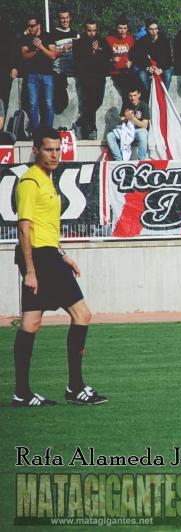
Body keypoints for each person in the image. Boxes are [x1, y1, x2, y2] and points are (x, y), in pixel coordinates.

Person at [12, 127, 107, 407]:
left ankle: (21, 393)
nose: (55, 154)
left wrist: (62, 252)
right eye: (49, 149)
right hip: (40, 258)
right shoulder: (30, 182)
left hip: (48, 255)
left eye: (58, 149)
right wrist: (31, 269)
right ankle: (75, 388)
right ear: (36, 151)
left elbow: (45, 227)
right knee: (82, 314)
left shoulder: (47, 180)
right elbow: (25, 229)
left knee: (31, 323)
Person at [72, 19, 111, 141]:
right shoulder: (79, 43)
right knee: (89, 102)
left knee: (97, 102)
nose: (92, 33)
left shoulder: (102, 42)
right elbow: (80, 62)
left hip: (99, 77)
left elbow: (106, 60)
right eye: (89, 31)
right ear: (84, 30)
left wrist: (97, 53)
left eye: (94, 30)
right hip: (86, 77)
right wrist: (92, 53)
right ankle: (92, 128)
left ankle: (80, 123)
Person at [20, 15, 57, 132]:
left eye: (32, 26)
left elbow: (53, 55)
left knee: (49, 104)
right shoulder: (25, 38)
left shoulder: (48, 37)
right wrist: (35, 51)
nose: (30, 28)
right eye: (28, 26)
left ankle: (48, 130)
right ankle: (35, 131)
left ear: (39, 25)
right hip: (31, 74)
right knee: (32, 104)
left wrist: (41, 47)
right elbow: (24, 56)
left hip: (47, 74)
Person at [131, 18, 173, 100]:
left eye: (156, 29)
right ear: (147, 30)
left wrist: (160, 68)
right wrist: (148, 68)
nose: (154, 32)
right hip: (148, 68)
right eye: (151, 29)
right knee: (142, 75)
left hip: (161, 67)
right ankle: (150, 97)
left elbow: (168, 59)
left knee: (168, 73)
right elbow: (139, 59)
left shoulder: (164, 41)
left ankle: (163, 96)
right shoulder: (141, 42)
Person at [106, 86, 149, 161]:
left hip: (138, 129)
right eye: (130, 96)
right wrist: (126, 118)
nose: (132, 98)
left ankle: (141, 160)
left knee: (143, 135)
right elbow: (120, 121)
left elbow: (144, 125)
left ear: (139, 95)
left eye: (134, 95)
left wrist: (133, 118)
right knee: (109, 136)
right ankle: (119, 160)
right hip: (126, 129)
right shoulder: (126, 104)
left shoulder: (143, 105)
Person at [51, 7, 79, 115]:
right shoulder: (52, 34)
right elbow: (52, 55)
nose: (65, 20)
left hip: (73, 72)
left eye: (67, 18)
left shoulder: (76, 34)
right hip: (59, 73)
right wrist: (63, 49)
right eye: (62, 18)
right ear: (58, 19)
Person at [106, 17, 135, 93]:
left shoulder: (131, 39)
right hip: (116, 72)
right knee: (126, 88)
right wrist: (112, 60)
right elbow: (103, 57)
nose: (122, 31)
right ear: (116, 28)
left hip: (128, 71)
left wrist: (131, 62)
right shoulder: (109, 40)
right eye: (120, 28)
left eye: (125, 28)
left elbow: (137, 56)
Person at [0, 10, 18, 115]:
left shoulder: (8, 33)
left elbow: (14, 51)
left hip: (4, 71)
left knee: (2, 100)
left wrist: (14, 67)